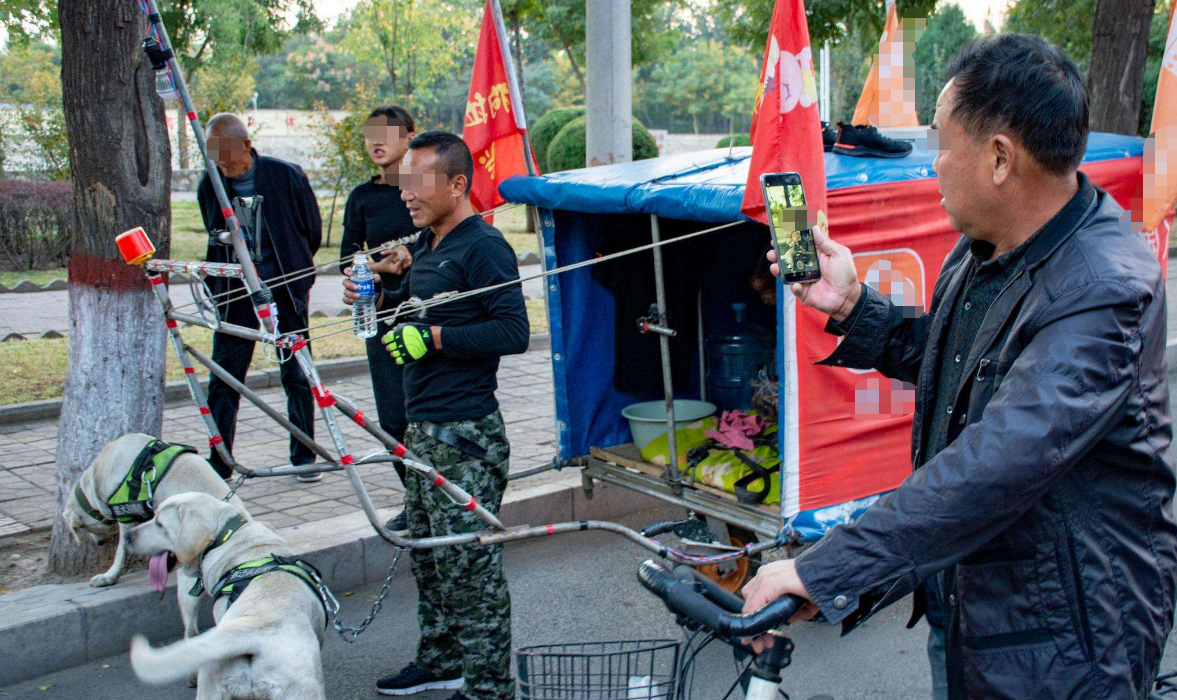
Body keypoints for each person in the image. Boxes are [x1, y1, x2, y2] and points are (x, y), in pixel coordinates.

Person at [742, 34, 1175, 699]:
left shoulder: (1104, 288)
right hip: (977, 602)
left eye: (941, 145)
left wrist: (828, 567)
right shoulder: (982, 251)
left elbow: (1001, 459)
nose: (933, 165)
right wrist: (852, 306)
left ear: (1000, 158)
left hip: (1068, 641)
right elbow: (957, 364)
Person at [343, 131, 528, 700]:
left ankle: (490, 688)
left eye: (419, 182)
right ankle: (442, 657)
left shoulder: (485, 247)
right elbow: (417, 314)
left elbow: (513, 331)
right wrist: (374, 296)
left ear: (456, 184)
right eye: (403, 183)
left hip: (465, 432)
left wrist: (436, 339)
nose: (406, 194)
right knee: (428, 558)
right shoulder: (425, 246)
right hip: (423, 427)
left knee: (469, 570)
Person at [198, 113, 324, 482]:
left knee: (297, 371)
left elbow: (310, 231)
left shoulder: (286, 176)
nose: (221, 161)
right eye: (213, 153)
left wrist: (293, 269)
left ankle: (305, 455)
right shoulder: (212, 183)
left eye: (226, 152)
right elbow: (212, 234)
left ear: (247, 145)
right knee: (224, 375)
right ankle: (219, 462)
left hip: (283, 286)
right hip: (236, 291)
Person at [339, 105, 418, 531]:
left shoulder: (425, 187)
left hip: (427, 312)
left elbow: (444, 239)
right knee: (393, 418)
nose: (376, 140)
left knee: (428, 412)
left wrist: (412, 257)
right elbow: (346, 259)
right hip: (381, 316)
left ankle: (447, 495)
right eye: (370, 133)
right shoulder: (362, 197)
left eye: (387, 132)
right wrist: (380, 266)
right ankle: (415, 498)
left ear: (409, 136)